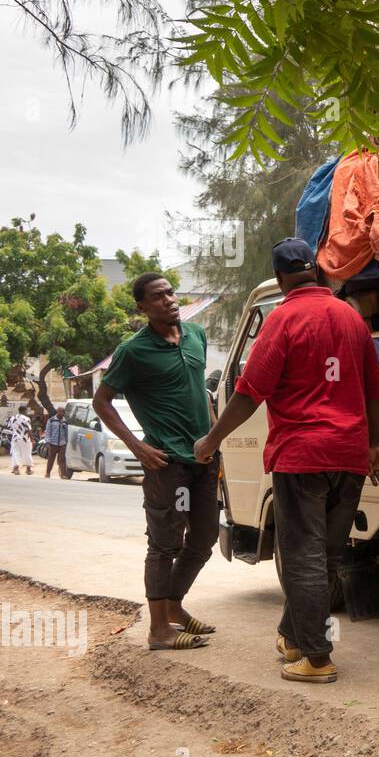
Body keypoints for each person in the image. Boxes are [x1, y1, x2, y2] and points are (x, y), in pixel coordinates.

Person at [194, 238, 379, 685]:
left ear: (281, 278)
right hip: (350, 454)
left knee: (302, 555)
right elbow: (374, 388)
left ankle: (317, 658)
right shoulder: (350, 317)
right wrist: (374, 444)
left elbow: (248, 393)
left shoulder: (282, 319)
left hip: (302, 456)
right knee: (323, 554)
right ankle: (294, 636)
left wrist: (212, 439)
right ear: (317, 271)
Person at [95, 273, 218, 651]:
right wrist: (137, 447)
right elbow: (102, 401)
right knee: (165, 544)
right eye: (158, 296)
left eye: (170, 292)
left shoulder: (195, 335)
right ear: (142, 307)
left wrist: (214, 439)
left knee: (204, 537)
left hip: (202, 457)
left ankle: (174, 607)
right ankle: (158, 629)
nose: (169, 299)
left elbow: (201, 394)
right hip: (167, 462)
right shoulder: (133, 351)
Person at [6, 410, 33, 475]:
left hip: (15, 438)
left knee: (15, 453)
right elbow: (29, 430)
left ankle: (16, 469)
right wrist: (32, 439)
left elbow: (9, 427)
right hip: (25, 439)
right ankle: (28, 470)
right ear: (25, 411)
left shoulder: (13, 418)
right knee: (27, 453)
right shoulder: (26, 419)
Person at [43, 407, 68, 479]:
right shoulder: (51, 420)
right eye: (60, 412)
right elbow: (48, 432)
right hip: (53, 443)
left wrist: (66, 442)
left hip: (62, 443)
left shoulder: (65, 422)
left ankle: (63, 474)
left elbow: (66, 433)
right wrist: (48, 442)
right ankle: (48, 473)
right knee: (51, 458)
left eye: (63, 412)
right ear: (57, 412)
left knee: (62, 459)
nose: (62, 413)